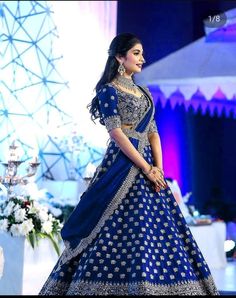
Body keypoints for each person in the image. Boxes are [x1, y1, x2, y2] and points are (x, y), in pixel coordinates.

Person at [39, 33, 219, 295]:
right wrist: (146, 169)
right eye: (136, 53)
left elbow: (153, 132)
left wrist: (159, 169)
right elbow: (116, 132)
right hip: (121, 165)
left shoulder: (144, 92)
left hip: (149, 168)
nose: (142, 58)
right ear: (119, 57)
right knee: (113, 227)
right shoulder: (108, 90)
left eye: (141, 52)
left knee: (157, 231)